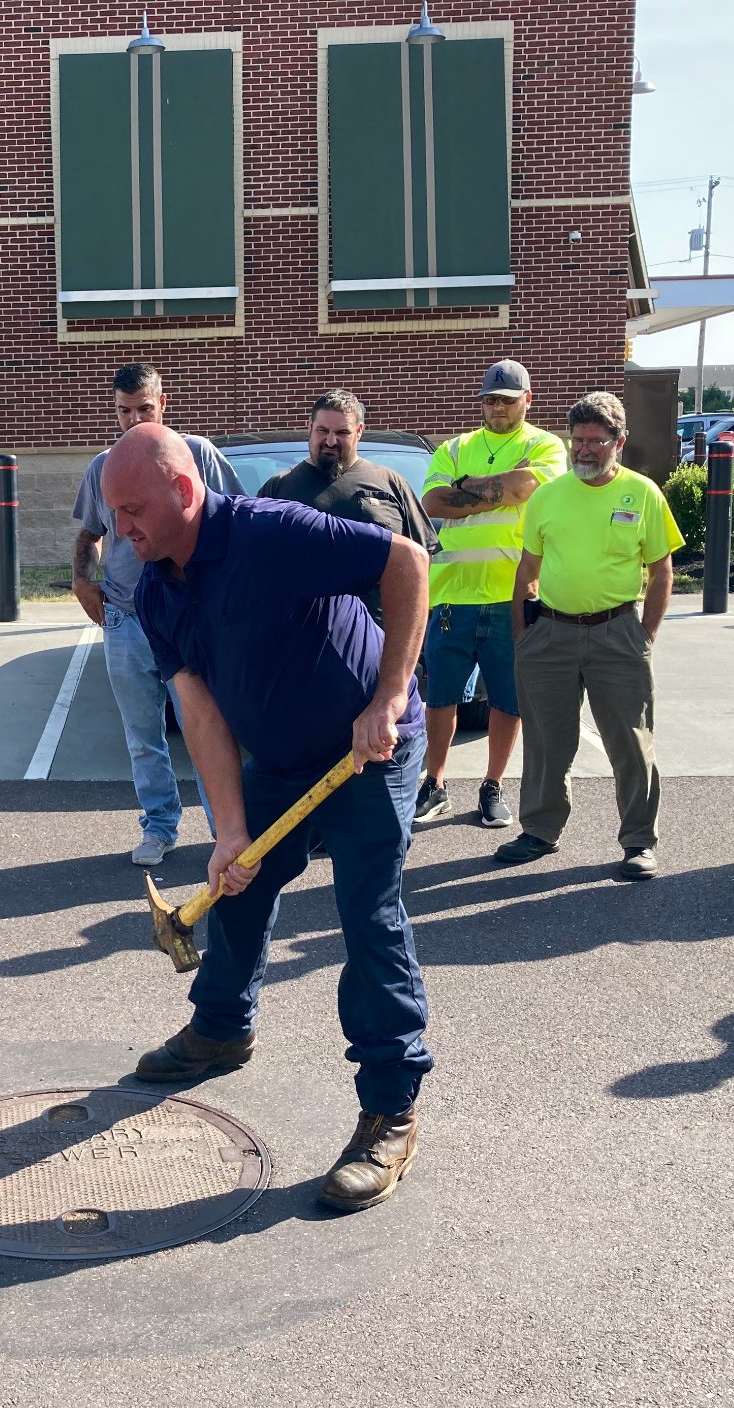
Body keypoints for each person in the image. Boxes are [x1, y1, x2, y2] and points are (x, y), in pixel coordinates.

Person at [108, 424, 434, 1214]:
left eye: (132, 510)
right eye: (115, 515)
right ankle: (221, 1028)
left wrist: (389, 696)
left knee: (368, 917)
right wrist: (227, 829)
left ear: (185, 491)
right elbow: (201, 709)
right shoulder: (156, 586)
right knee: (239, 884)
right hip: (280, 765)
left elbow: (407, 562)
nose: (122, 529)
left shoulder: (274, 531)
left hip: (368, 751)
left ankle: (391, 1111)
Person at [499, 391, 683, 879]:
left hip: (617, 632)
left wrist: (645, 634)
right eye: (576, 439)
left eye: (595, 441)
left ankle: (639, 842)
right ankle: (539, 830)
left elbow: (662, 570)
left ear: (618, 442)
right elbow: (528, 569)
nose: (583, 449)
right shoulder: (547, 495)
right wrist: (523, 637)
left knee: (631, 741)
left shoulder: (643, 493)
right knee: (546, 741)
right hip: (551, 634)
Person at [72, 362, 243, 866]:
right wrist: (84, 581)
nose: (134, 420)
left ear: (163, 404)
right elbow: (89, 536)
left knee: (209, 724)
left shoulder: (199, 457)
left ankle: (225, 829)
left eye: (144, 408)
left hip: (190, 618)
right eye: (125, 410)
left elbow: (234, 522)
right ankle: (160, 824)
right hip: (126, 619)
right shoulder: (103, 468)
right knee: (142, 732)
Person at [416, 359, 566, 832]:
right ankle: (435, 782)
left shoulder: (544, 444)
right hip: (451, 596)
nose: (497, 407)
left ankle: (492, 785)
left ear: (528, 399)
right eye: (490, 398)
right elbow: (433, 503)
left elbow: (528, 488)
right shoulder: (454, 447)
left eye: (507, 399)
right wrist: (495, 488)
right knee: (440, 697)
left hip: (513, 597)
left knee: (507, 699)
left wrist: (467, 488)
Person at [258, 387, 436, 622]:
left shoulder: (390, 484)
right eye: (323, 430)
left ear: (359, 431)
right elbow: (256, 565)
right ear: (309, 427)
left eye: (342, 432)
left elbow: (421, 563)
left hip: (377, 638)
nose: (330, 441)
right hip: (296, 640)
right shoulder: (278, 489)